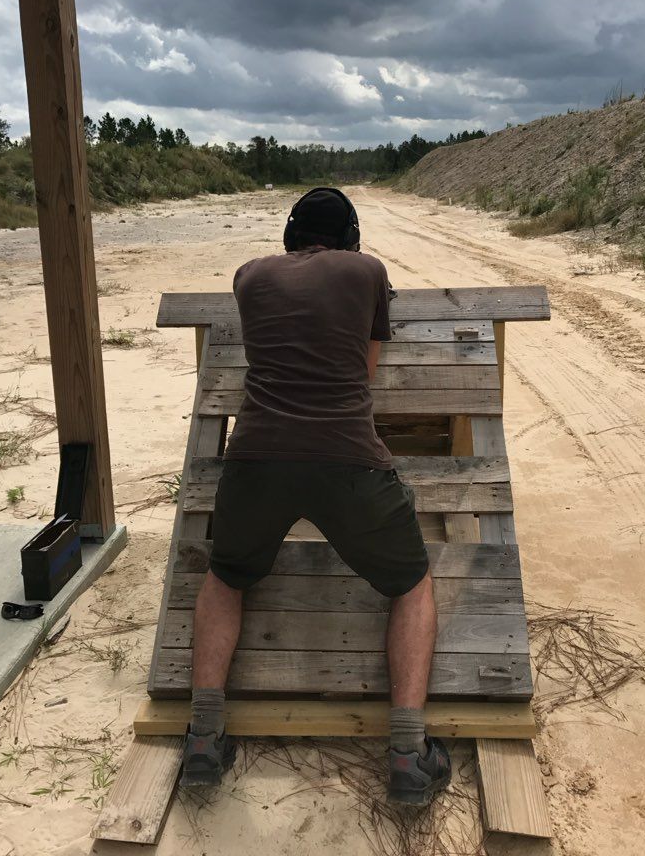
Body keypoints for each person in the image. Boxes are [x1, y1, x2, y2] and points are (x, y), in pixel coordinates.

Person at [181, 187, 451, 806]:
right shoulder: (368, 271)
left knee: (225, 576)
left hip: (254, 459)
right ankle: (408, 753)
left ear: (290, 235)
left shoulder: (249, 277)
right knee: (411, 583)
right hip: (346, 460)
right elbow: (365, 372)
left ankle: (202, 738)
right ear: (351, 238)